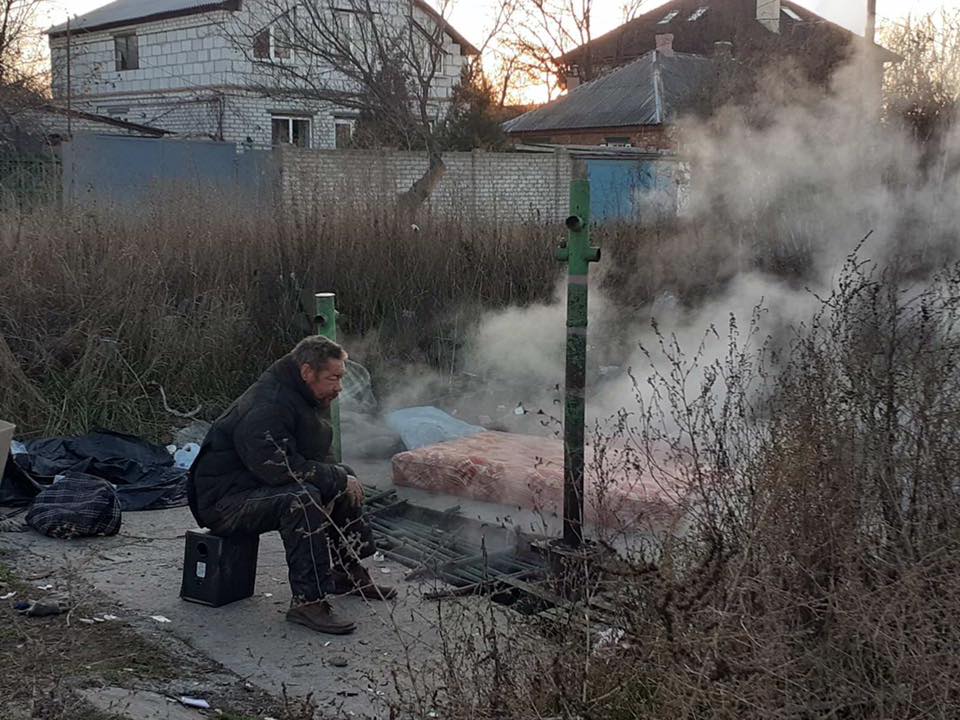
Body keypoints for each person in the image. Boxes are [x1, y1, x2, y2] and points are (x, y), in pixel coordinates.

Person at [187, 336, 395, 635]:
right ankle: (308, 601)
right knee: (302, 498)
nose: (339, 387)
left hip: (253, 486)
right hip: (223, 503)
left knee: (342, 476)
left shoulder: (305, 394)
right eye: (333, 378)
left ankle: (345, 572)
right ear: (307, 372)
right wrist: (330, 480)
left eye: (341, 378)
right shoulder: (267, 404)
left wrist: (336, 479)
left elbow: (317, 454)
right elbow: (276, 469)